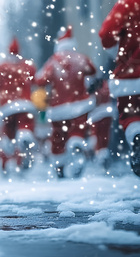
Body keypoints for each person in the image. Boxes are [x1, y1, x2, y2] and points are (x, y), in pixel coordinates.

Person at [35, 27, 96, 178]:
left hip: (58, 108)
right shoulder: (81, 58)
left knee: (58, 137)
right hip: (80, 105)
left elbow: (40, 80)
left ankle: (59, 167)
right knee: (77, 130)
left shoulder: (53, 61)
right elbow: (93, 71)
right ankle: (76, 144)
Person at [99, 0, 140, 177]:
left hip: (129, 76)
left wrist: (117, 52)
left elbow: (106, 34)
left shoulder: (125, 6)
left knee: (130, 116)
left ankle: (137, 137)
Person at [0, 38, 38, 173]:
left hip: (8, 107)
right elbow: (35, 81)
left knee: (8, 133)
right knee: (25, 125)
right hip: (25, 104)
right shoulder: (28, 66)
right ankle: (23, 144)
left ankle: (5, 163)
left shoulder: (1, 67)